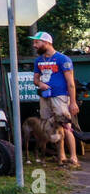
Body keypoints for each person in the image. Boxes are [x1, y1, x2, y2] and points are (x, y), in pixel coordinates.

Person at [32, 31, 80, 168]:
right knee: (50, 126)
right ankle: (61, 156)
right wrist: (40, 84)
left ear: (46, 42)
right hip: (45, 97)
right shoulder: (39, 60)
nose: (34, 45)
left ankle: (73, 157)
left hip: (60, 96)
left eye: (37, 42)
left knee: (66, 125)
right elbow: (35, 79)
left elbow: (70, 83)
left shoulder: (62, 59)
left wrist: (73, 102)